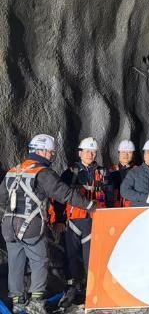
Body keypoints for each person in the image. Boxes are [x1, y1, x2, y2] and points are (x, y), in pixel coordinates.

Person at [1, 134, 94, 314]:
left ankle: (18, 302)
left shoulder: (14, 171)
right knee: (39, 261)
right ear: (42, 151)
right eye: (51, 152)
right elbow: (65, 194)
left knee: (15, 263)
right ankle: (36, 302)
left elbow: (2, 197)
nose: (52, 156)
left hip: (9, 226)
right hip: (30, 226)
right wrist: (90, 205)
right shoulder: (42, 173)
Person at [57, 137, 113, 307]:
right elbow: (59, 198)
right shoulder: (70, 173)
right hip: (73, 221)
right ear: (80, 153)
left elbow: (110, 198)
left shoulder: (103, 173)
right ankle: (72, 289)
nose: (90, 154)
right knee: (71, 257)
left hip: (95, 222)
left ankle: (93, 289)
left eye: (93, 152)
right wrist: (59, 220)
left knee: (92, 258)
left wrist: (110, 219)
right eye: (87, 151)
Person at [108, 140, 136, 207]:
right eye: (123, 152)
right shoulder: (110, 170)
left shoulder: (138, 171)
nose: (126, 155)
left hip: (132, 206)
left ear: (133, 154)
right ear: (119, 153)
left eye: (129, 152)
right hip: (114, 206)